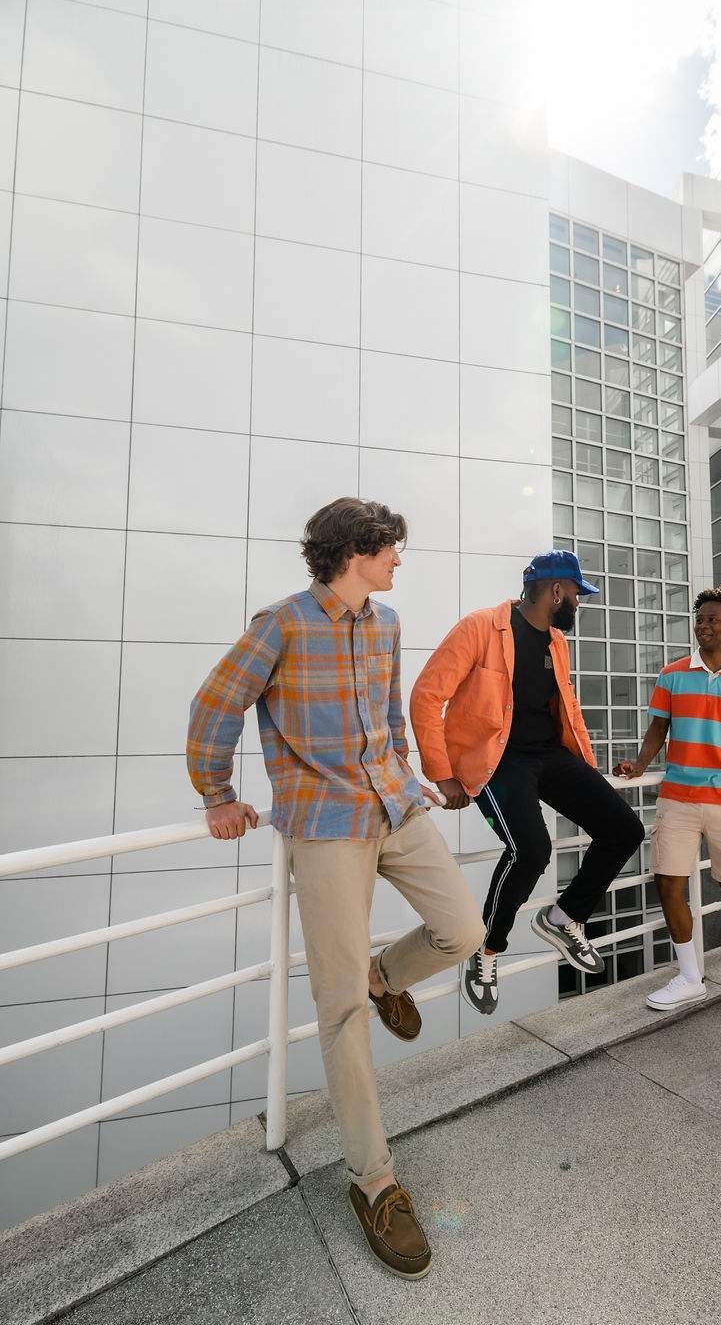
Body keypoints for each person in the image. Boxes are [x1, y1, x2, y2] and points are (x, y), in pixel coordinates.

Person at [186, 497, 485, 1280]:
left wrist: (407, 775)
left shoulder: (383, 625)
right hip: (322, 825)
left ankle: (389, 973)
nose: (397, 562)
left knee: (464, 929)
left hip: (395, 806)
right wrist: (218, 796)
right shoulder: (280, 624)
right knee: (342, 1007)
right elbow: (215, 704)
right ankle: (374, 1179)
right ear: (356, 549)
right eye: (390, 550)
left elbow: (384, 711)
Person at [409, 550, 645, 1014]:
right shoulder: (480, 627)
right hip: (497, 761)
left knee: (625, 830)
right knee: (532, 850)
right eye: (577, 592)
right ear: (557, 591)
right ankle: (486, 949)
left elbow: (567, 708)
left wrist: (587, 770)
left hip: (550, 756)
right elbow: (426, 696)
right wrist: (442, 773)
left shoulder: (557, 642)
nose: (579, 601)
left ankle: (565, 917)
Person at [614, 585, 721, 1029]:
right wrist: (639, 763)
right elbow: (658, 730)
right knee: (668, 884)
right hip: (678, 798)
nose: (704, 626)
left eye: (713, 619)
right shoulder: (672, 674)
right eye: (700, 619)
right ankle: (690, 976)